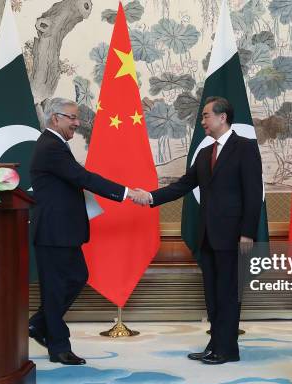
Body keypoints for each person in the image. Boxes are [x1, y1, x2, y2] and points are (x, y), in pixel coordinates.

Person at [132, 96, 263, 364]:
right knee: (213, 294)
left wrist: (247, 232)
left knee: (228, 293)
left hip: (234, 236)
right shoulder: (204, 153)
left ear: (222, 117)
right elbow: (182, 185)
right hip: (208, 236)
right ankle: (216, 344)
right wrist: (150, 197)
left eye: (205, 116)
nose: (202, 121)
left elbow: (253, 193)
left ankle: (227, 349)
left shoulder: (245, 147)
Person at [28, 97, 146, 365]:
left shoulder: (56, 145)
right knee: (56, 290)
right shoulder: (50, 147)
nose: (77, 123)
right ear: (55, 118)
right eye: (72, 117)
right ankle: (59, 347)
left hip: (63, 232)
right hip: (53, 233)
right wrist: (128, 193)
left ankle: (38, 324)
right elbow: (83, 178)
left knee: (77, 277)